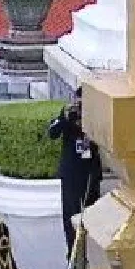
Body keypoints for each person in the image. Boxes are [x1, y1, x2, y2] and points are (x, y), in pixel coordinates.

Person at [47, 88, 103, 256]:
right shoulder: (67, 114)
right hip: (71, 172)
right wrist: (65, 119)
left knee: (92, 212)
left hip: (90, 170)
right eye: (78, 102)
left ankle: (90, 249)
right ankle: (74, 252)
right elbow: (52, 132)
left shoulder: (97, 114)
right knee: (71, 214)